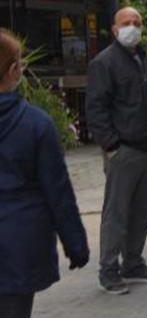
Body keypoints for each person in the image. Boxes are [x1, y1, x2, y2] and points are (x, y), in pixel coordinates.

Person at [0, 30, 89, 317]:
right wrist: (75, 244)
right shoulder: (36, 124)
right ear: (14, 71)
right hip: (20, 242)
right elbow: (57, 190)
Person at [86, 7, 147, 294]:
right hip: (124, 150)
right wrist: (111, 146)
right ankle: (108, 269)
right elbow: (96, 108)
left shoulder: (144, 59)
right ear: (115, 29)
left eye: (137, 23)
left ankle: (133, 262)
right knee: (116, 212)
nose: (133, 27)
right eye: (127, 23)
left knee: (143, 209)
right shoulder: (104, 63)